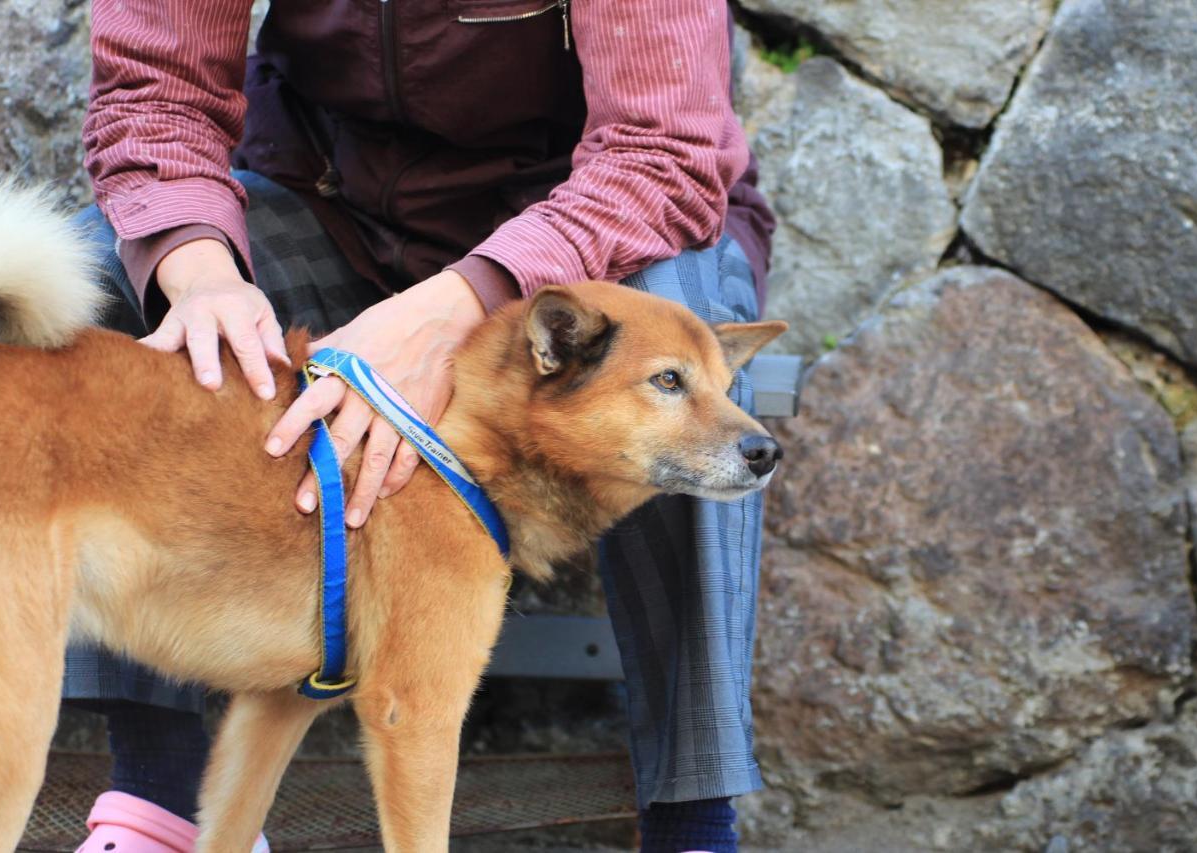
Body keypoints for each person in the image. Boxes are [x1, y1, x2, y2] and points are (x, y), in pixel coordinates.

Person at [66, 1, 776, 851]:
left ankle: (691, 827)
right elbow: (155, 88)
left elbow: (663, 154)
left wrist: (458, 304)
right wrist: (198, 265)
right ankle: (165, 804)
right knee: (107, 279)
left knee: (678, 345)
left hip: (591, 239)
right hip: (333, 209)